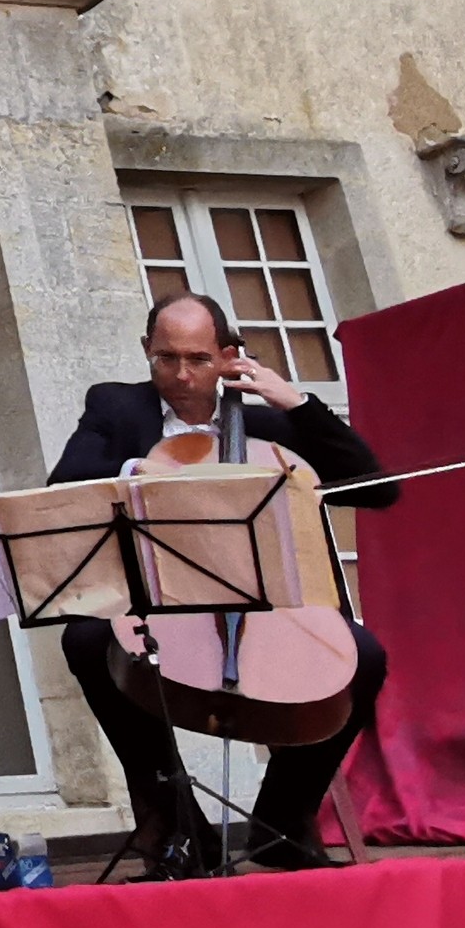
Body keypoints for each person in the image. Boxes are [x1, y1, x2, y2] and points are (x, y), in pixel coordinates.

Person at [47, 290, 400, 876]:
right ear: (146, 351)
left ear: (228, 355)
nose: (180, 376)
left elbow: (375, 489)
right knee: (85, 640)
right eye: (165, 359)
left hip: (261, 603)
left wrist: (300, 404)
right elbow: (64, 490)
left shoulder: (264, 418)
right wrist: (137, 471)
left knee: (364, 657)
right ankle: (174, 822)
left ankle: (282, 826)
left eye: (198, 359)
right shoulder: (115, 408)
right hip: (156, 603)